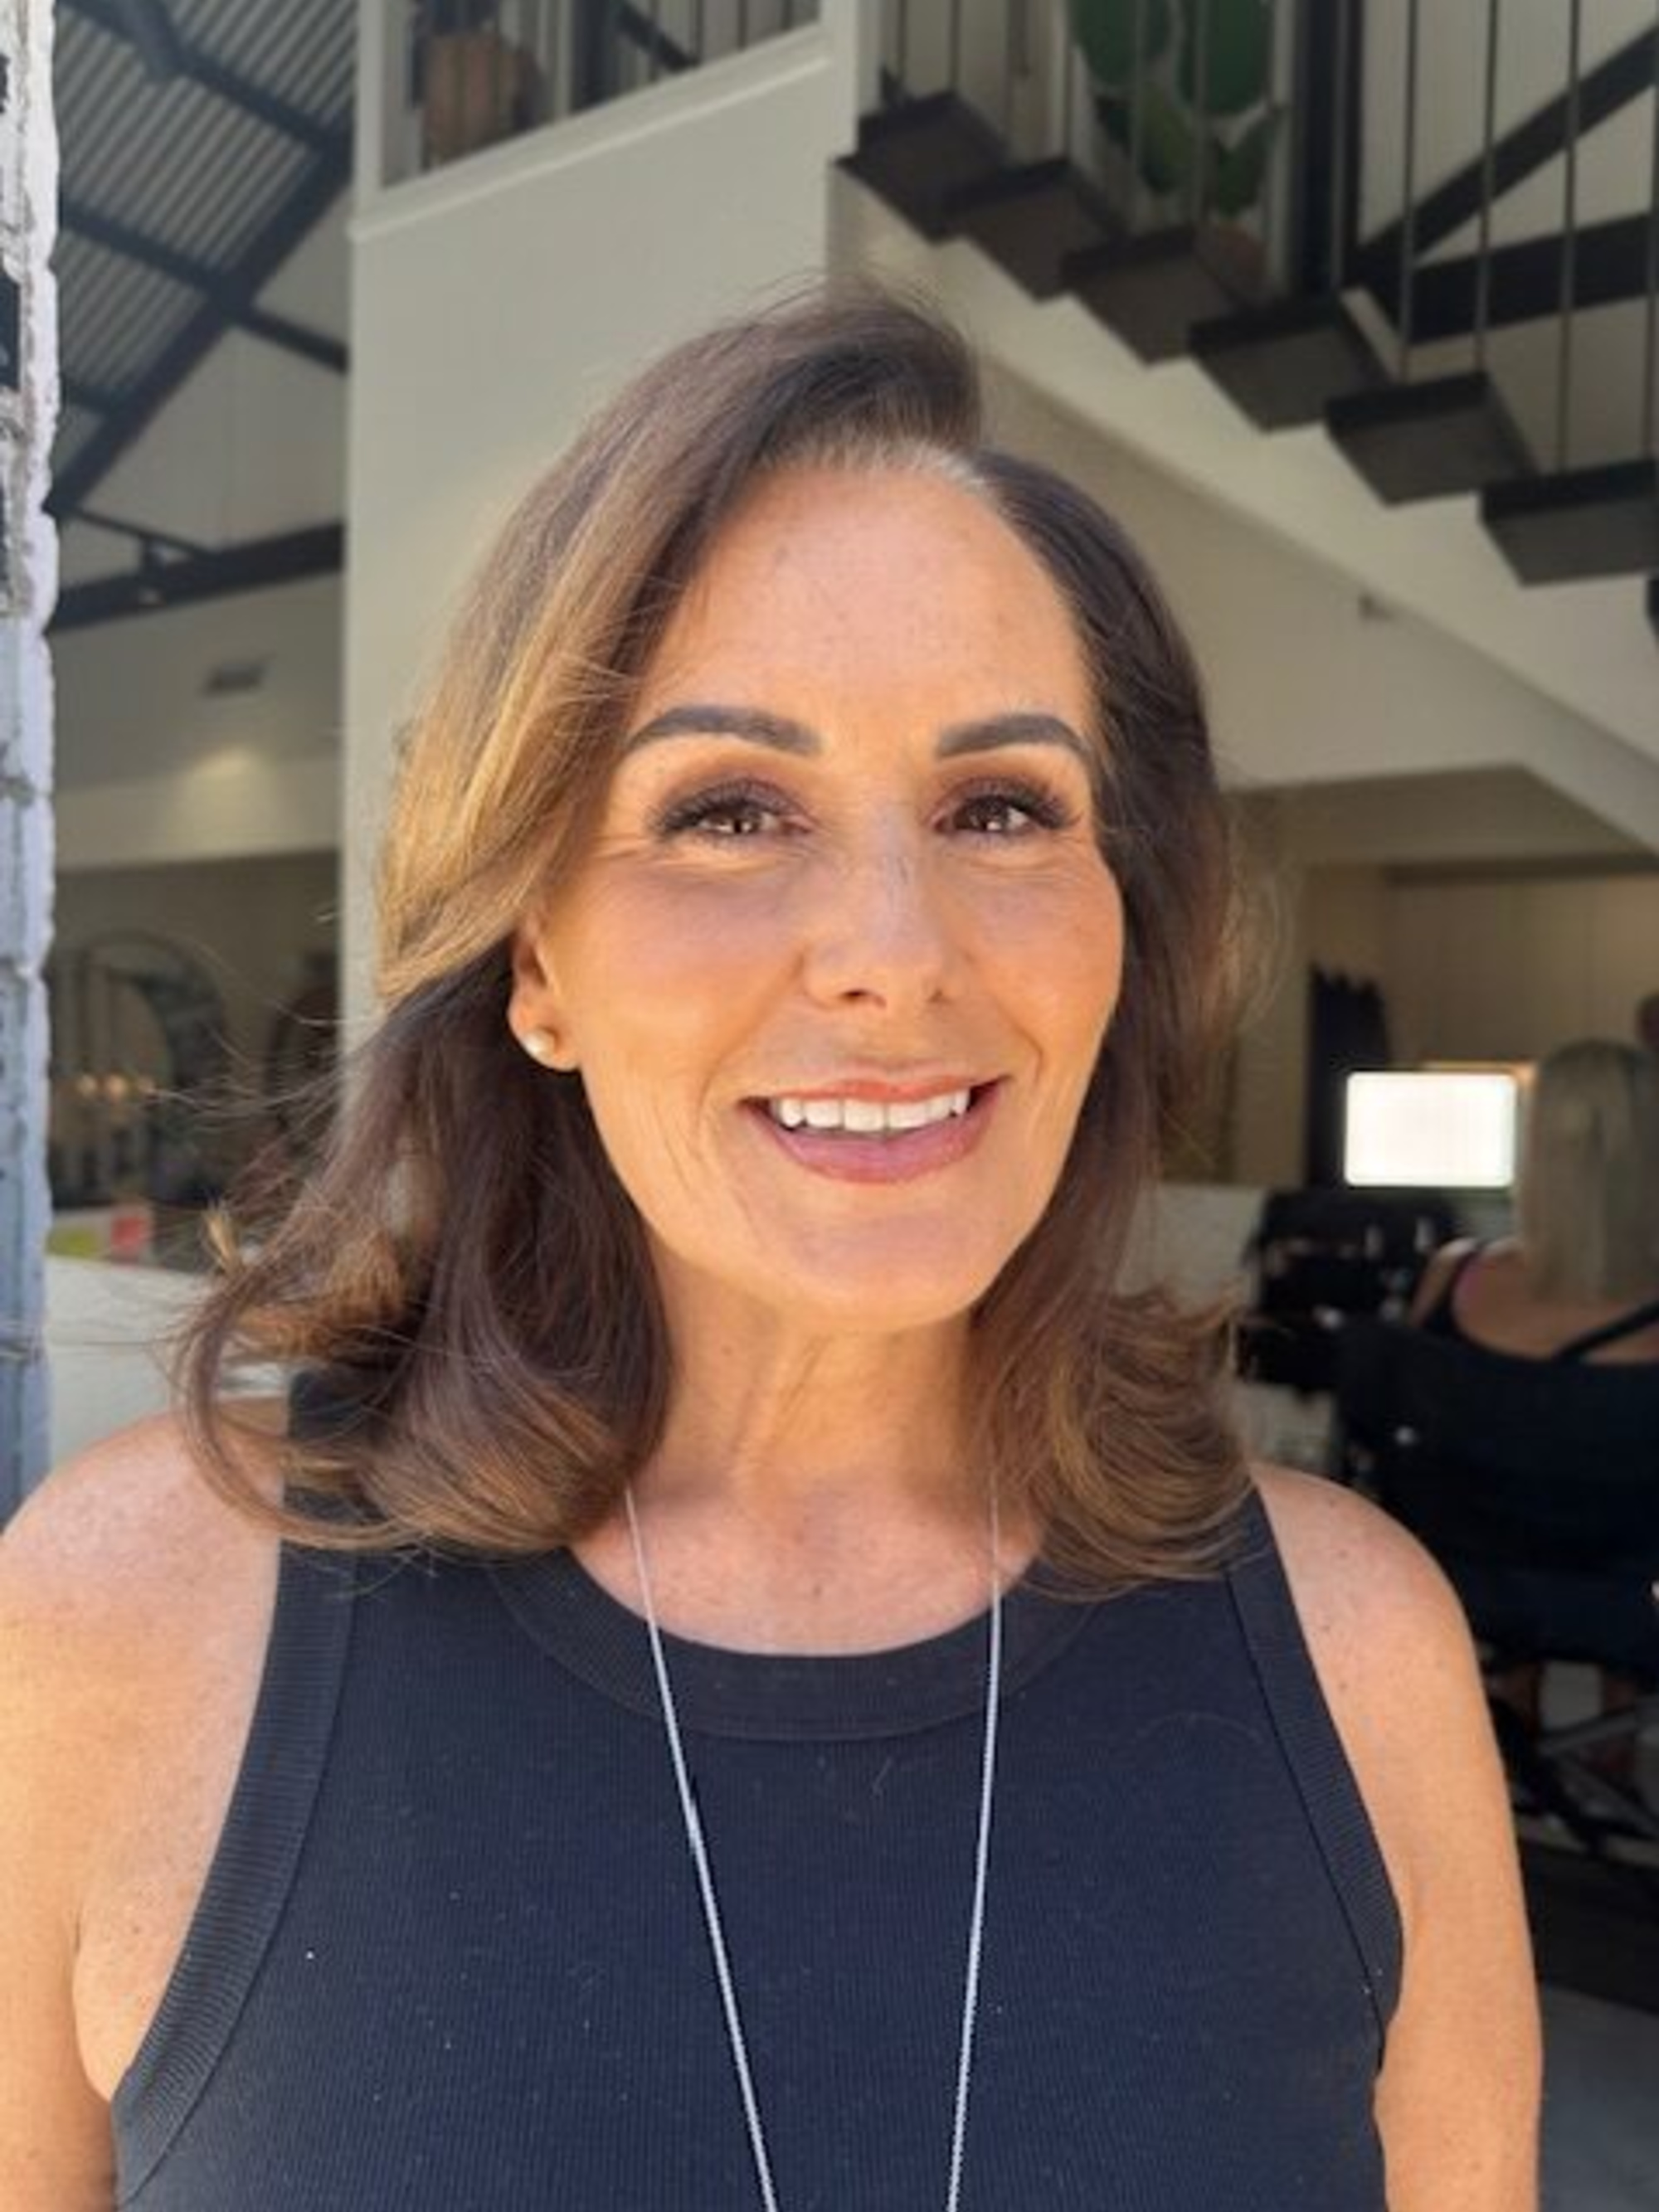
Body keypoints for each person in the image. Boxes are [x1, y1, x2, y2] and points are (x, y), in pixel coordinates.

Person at [0, 290, 1539, 2210]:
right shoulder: (127, 1630)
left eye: (998, 805)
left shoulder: (1358, 1665)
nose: (893, 947)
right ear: (534, 961)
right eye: (727, 809)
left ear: (1116, 925)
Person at [1408, 1037, 1659, 1759]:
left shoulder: (1452, 1278)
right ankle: (1615, 1732)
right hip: (1627, 1612)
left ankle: (1515, 1702)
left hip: (1468, 1589)